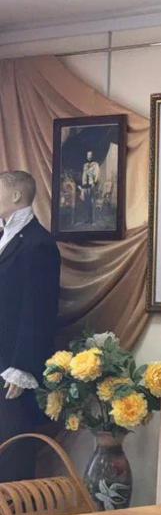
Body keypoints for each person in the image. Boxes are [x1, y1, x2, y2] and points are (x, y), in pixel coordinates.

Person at [0, 171, 61, 482]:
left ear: (15, 195)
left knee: (13, 449)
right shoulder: (5, 237)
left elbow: (39, 309)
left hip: (14, 365)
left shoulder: (39, 243)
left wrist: (22, 367)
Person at [79, 150, 100, 225]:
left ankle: (93, 220)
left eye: (90, 155)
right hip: (85, 186)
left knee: (92, 202)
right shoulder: (85, 165)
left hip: (92, 185)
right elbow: (83, 175)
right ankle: (87, 219)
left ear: (92, 156)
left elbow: (97, 174)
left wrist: (94, 182)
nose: (89, 156)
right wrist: (83, 185)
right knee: (86, 203)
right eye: (88, 155)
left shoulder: (95, 164)